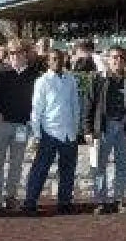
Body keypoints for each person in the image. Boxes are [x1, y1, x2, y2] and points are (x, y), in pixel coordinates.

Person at [84, 46, 126, 214]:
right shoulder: (98, 79)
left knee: (122, 165)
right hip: (103, 128)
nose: (117, 60)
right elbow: (89, 105)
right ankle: (100, 201)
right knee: (99, 166)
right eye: (114, 57)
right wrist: (88, 129)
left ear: (125, 60)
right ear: (108, 60)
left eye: (120, 57)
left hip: (124, 128)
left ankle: (119, 200)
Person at [0, 39, 38, 213]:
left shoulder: (34, 75)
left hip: (22, 126)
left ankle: (11, 197)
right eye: (11, 53)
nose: (14, 56)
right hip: (2, 125)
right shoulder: (0, 72)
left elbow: (38, 102)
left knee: (17, 163)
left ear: (24, 54)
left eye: (17, 52)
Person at [22, 49, 81, 215]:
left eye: (60, 58)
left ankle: (64, 202)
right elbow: (36, 110)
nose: (57, 61)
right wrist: (37, 134)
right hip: (49, 132)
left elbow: (75, 105)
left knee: (68, 169)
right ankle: (30, 202)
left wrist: (76, 129)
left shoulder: (71, 79)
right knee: (40, 169)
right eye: (54, 59)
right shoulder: (42, 81)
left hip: (69, 133)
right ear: (47, 62)